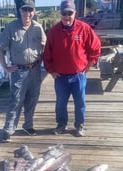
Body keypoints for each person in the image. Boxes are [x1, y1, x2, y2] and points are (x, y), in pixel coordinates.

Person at [43, 0, 101, 137]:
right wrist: (51, 70)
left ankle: (79, 125)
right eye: (64, 13)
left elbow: (96, 47)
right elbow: (47, 53)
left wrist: (90, 63)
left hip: (78, 75)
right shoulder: (53, 31)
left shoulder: (84, 28)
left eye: (70, 13)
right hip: (60, 76)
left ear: (74, 13)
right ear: (60, 14)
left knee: (80, 102)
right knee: (60, 103)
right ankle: (61, 124)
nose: (67, 16)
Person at [0, 0, 47, 143]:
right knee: (16, 100)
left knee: (32, 98)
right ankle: (8, 129)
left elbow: (45, 46)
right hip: (19, 71)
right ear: (20, 11)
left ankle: (28, 126)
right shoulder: (11, 27)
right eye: (25, 10)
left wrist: (42, 59)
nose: (27, 13)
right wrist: (5, 67)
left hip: (35, 70)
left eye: (30, 10)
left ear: (34, 12)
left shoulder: (38, 27)